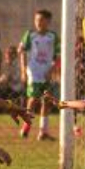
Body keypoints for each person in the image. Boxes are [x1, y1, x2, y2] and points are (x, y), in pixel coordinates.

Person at [20, 8, 59, 141]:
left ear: (48, 21)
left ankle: (43, 132)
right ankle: (26, 126)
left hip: (47, 71)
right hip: (34, 71)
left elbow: (58, 56)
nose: (38, 22)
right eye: (36, 20)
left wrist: (52, 70)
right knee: (32, 99)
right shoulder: (30, 35)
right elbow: (22, 52)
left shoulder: (53, 36)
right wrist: (23, 70)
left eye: (41, 20)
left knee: (46, 100)